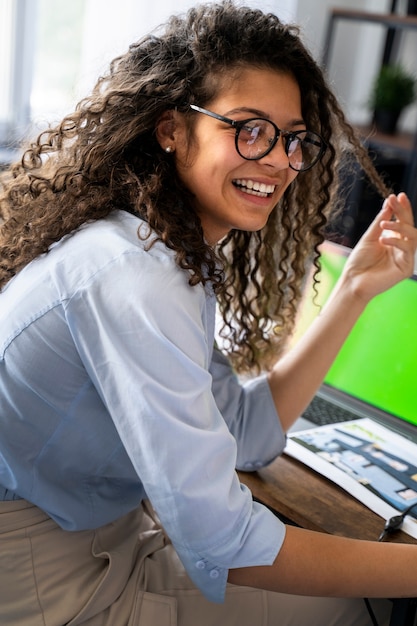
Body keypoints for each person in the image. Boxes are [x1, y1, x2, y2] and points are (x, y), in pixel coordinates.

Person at [0, 2, 416, 625]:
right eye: (249, 129)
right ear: (171, 129)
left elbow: (246, 432)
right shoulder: (134, 277)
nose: (278, 160)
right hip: (53, 588)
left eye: (294, 139)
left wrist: (354, 288)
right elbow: (225, 544)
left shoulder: (156, 254)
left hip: (98, 546)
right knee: (370, 602)